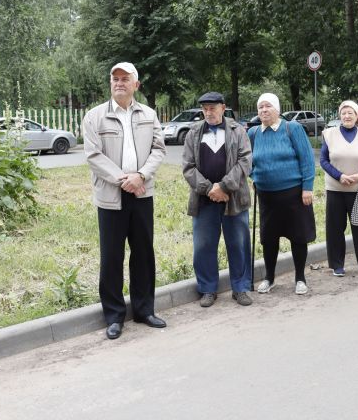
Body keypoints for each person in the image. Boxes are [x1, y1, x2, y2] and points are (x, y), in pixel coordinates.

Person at [83, 62, 167, 340]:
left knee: (143, 253)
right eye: (115, 78)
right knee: (112, 256)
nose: (119, 83)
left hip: (142, 193)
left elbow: (158, 149)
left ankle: (144, 310)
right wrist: (124, 179)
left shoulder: (149, 114)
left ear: (136, 85)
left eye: (125, 79)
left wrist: (140, 176)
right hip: (111, 196)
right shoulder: (95, 117)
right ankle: (114, 316)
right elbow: (94, 156)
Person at [182, 92, 253, 308]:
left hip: (233, 198)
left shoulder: (238, 131)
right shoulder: (194, 132)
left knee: (238, 243)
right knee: (203, 245)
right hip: (204, 200)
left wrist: (223, 187)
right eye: (205, 108)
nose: (208, 112)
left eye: (212, 108)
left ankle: (240, 288)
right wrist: (209, 189)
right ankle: (208, 289)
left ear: (223, 108)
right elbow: (188, 167)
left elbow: (245, 161)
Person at [248, 93, 316, 295]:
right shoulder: (253, 133)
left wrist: (307, 186)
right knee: (269, 238)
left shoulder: (291, 128)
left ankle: (300, 278)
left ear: (277, 109)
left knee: (298, 236)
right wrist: (255, 176)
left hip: (294, 193)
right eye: (260, 107)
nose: (264, 110)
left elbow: (307, 158)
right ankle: (269, 278)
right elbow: (247, 160)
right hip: (266, 195)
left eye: (268, 106)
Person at [320, 100, 358, 276]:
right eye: (343, 113)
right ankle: (337, 265)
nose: (346, 116)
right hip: (336, 189)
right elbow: (323, 160)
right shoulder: (329, 135)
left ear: (357, 116)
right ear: (340, 115)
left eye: (350, 113)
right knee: (335, 228)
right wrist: (339, 176)